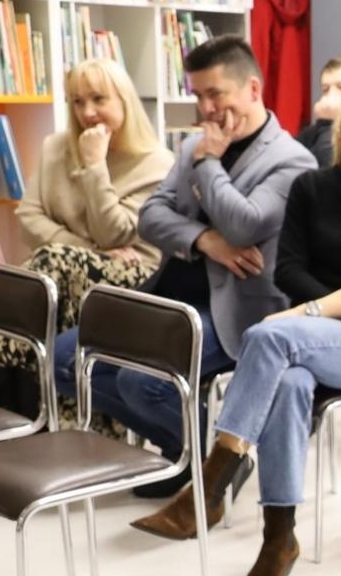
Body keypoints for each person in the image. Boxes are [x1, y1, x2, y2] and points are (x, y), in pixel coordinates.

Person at [130, 88, 341, 576]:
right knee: (288, 382)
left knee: (266, 334)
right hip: (320, 333)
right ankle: (278, 539)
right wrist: (340, 309)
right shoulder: (312, 187)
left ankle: (208, 488)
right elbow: (288, 269)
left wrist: (313, 312)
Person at [53, 35, 317, 497]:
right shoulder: (194, 144)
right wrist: (203, 239)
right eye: (198, 95)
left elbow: (245, 224)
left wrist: (210, 165)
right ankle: (193, 451)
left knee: (141, 383)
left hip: (239, 311)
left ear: (253, 90)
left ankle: (211, 463)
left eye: (216, 93)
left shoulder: (292, 160)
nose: (207, 107)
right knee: (64, 360)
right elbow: (151, 216)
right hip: (171, 296)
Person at [0, 58, 173, 430]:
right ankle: (40, 415)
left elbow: (115, 234)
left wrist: (95, 166)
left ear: (124, 100)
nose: (87, 112)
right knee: (53, 267)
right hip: (62, 270)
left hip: (134, 276)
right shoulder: (56, 147)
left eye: (98, 99)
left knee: (51, 267)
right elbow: (28, 218)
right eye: (77, 101)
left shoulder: (157, 163)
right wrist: (81, 250)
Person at [296, 54, 341, 168]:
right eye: (325, 89)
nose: (331, 95)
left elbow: (332, 171)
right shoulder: (311, 134)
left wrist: (329, 124)